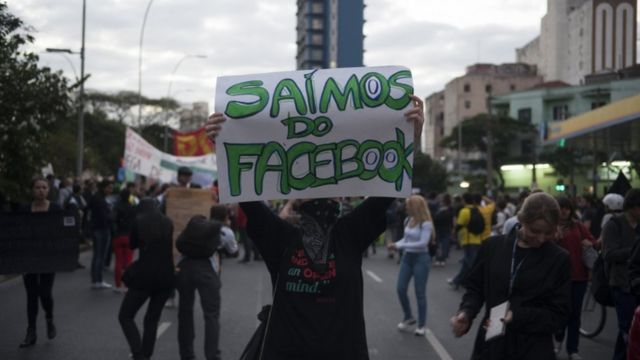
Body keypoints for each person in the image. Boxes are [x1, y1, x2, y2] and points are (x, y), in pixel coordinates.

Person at [204, 95, 424, 360]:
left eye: (331, 187)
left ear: (341, 198)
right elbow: (247, 197)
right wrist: (224, 141)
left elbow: (388, 188)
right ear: (296, 198)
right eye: (311, 186)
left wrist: (411, 138)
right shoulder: (281, 238)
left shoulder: (349, 235)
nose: (322, 191)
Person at [450, 192, 571, 360]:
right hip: (491, 344)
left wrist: (517, 315)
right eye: (535, 231)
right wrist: (466, 312)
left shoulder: (559, 258)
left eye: (548, 232)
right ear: (522, 220)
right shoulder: (493, 247)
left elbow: (559, 315)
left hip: (532, 348)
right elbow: (476, 289)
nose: (541, 238)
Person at [177, 205, 238, 360]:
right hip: (207, 271)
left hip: (185, 268)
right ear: (225, 217)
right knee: (211, 316)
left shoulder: (198, 226)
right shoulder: (224, 231)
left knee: (185, 313)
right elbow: (233, 251)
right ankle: (212, 356)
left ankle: (187, 355)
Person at [118, 198, 175, 360]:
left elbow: (132, 245)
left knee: (126, 316)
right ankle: (146, 355)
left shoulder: (139, 221)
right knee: (152, 319)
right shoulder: (168, 222)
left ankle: (138, 353)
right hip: (166, 276)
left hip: (144, 276)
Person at [18, 178, 62, 348]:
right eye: (37, 187)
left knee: (45, 293)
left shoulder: (55, 208)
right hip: (28, 258)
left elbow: (63, 232)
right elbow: (16, 232)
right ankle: (31, 332)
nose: (41, 190)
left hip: (48, 257)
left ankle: (49, 318)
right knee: (31, 295)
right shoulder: (24, 209)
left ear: (48, 190)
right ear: (32, 190)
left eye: (44, 187)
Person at [553, 196, 596, 359]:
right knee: (560, 312)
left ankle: (573, 349)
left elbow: (592, 240)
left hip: (579, 277)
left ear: (571, 210)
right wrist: (554, 238)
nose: (564, 211)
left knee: (575, 315)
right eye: (561, 207)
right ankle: (558, 339)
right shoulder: (550, 226)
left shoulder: (577, 225)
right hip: (558, 279)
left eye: (567, 208)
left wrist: (590, 243)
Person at [602, 188, 640, 360]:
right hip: (621, 284)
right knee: (626, 327)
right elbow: (609, 253)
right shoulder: (614, 224)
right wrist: (634, 251)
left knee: (632, 329)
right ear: (632, 206)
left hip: (637, 283)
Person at [388, 194, 434, 336]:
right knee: (400, 289)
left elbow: (423, 243)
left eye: (408, 205)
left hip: (421, 259)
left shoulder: (426, 223)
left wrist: (400, 246)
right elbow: (405, 239)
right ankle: (408, 316)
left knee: (420, 293)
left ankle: (421, 325)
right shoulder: (408, 220)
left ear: (415, 207)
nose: (405, 208)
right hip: (408, 258)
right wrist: (396, 244)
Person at [448, 193, 482, 289]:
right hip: (477, 238)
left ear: (464, 200)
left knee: (471, 263)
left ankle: (476, 283)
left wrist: (453, 234)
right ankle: (457, 281)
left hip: (467, 239)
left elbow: (459, 225)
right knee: (467, 263)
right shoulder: (478, 209)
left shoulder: (465, 211)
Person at [88, 179, 114, 289]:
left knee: (98, 255)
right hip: (101, 229)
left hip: (98, 228)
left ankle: (97, 280)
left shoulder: (98, 197)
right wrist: (111, 215)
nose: (111, 190)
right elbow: (103, 216)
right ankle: (97, 280)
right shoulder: (99, 199)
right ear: (104, 188)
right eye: (109, 187)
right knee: (99, 256)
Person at [113, 188, 136, 292]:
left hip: (118, 236)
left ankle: (118, 285)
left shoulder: (116, 207)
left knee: (118, 261)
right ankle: (127, 284)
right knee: (128, 262)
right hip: (129, 237)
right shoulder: (132, 208)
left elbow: (111, 219)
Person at [433, 194, 454, 267]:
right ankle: (440, 259)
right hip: (444, 229)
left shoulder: (442, 209)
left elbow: (435, 219)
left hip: (441, 229)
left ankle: (440, 259)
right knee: (442, 246)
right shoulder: (440, 208)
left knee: (441, 246)